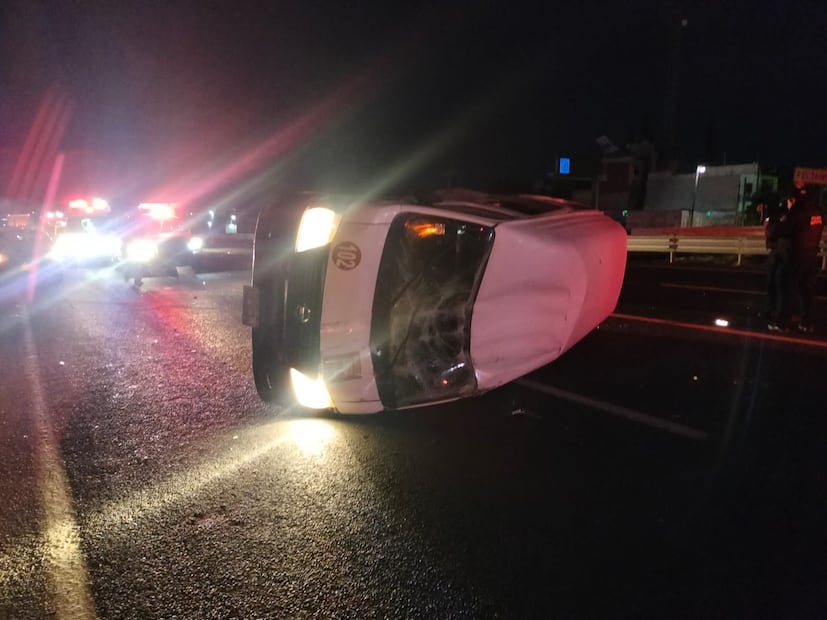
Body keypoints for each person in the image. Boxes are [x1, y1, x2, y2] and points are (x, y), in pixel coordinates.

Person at [779, 181, 824, 333]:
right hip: (812, 256)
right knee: (807, 290)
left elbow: (784, 231)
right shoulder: (819, 211)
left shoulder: (798, 211)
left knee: (789, 289)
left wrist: (788, 214)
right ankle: (806, 322)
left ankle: (782, 323)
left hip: (797, 256)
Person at [764, 192, 791, 331]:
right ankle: (772, 311)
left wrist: (772, 226)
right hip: (778, 252)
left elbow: (774, 232)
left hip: (784, 253)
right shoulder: (780, 216)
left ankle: (780, 319)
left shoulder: (788, 217)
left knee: (781, 285)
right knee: (772, 283)